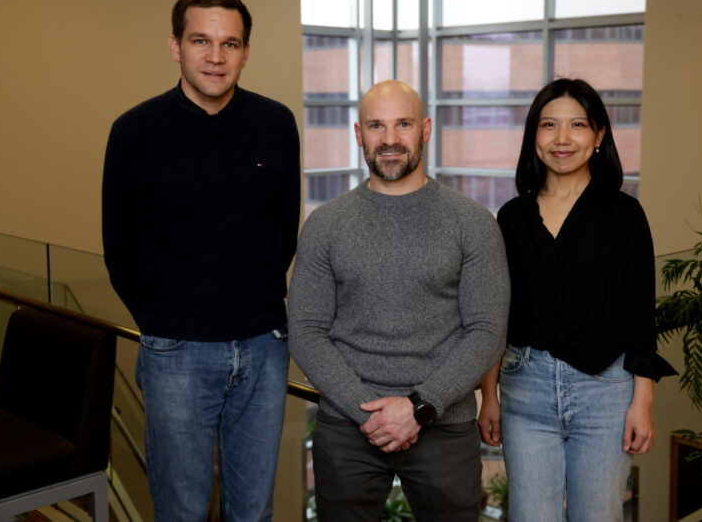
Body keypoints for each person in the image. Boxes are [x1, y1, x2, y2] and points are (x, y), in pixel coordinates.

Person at [102, 0, 300, 521]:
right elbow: (118, 249)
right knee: (183, 511)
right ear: (175, 47)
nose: (216, 56)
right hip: (177, 354)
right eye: (201, 41)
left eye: (230, 43)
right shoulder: (134, 132)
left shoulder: (276, 123)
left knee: (253, 511)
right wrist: (164, 325)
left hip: (264, 346)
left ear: (245, 51)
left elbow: (285, 233)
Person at [288, 80, 510, 521]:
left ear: (425, 129)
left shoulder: (473, 222)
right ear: (358, 134)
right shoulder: (325, 226)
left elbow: (487, 331)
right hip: (349, 430)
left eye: (403, 124)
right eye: (376, 126)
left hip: (444, 427)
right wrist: (369, 414)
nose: (389, 139)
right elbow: (306, 333)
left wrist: (419, 408)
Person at [478, 78, 676, 521]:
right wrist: (488, 395)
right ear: (533, 136)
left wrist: (642, 404)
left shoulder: (625, 215)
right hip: (524, 391)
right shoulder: (511, 217)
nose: (562, 139)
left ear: (599, 135)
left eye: (577, 126)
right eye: (549, 125)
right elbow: (497, 313)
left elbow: (642, 316)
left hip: (606, 393)